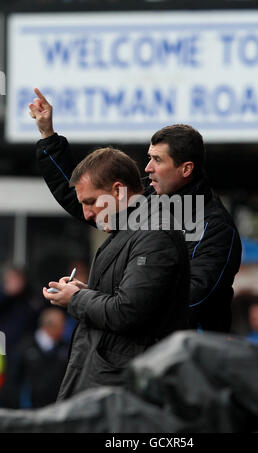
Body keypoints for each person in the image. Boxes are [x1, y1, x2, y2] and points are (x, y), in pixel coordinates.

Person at [29, 88, 241, 333]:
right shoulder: (150, 197)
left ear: (186, 169)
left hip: (186, 360)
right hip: (139, 352)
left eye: (158, 160)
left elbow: (188, 301)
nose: (148, 167)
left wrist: (89, 300)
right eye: (149, 157)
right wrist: (47, 136)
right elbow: (85, 199)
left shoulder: (213, 227)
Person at [29, 141, 190, 400]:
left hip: (125, 395)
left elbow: (128, 311)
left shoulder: (154, 233)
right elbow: (123, 299)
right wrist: (85, 291)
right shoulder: (128, 228)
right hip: (110, 387)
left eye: (90, 202)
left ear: (117, 191)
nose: (87, 214)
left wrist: (77, 298)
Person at [10, 308, 68, 408]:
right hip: (29, 407)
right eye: (61, 326)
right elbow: (14, 378)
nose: (64, 329)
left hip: (56, 406)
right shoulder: (25, 346)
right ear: (49, 327)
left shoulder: (65, 348)